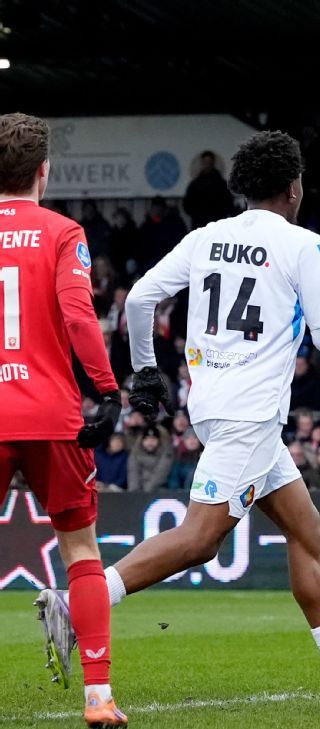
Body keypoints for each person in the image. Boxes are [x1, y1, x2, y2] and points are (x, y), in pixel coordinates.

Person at [42, 131, 320, 713]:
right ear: (294, 187)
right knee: (200, 540)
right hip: (251, 413)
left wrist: (145, 371)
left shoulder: (206, 236)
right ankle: (78, 602)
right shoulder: (303, 244)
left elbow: (138, 300)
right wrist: (315, 296)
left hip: (213, 404)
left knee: (307, 530)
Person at [1, 112, 128, 726]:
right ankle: (98, 697)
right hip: (53, 415)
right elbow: (79, 317)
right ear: (43, 172)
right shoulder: (61, 231)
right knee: (81, 549)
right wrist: (107, 389)